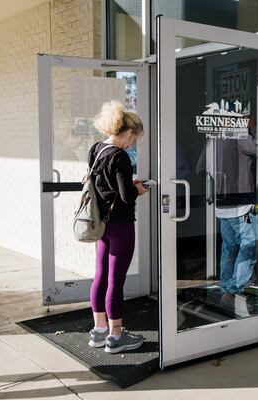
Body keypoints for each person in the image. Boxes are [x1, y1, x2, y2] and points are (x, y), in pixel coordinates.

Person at [87, 100, 149, 354]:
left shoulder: (96, 149)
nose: (133, 144)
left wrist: (125, 185)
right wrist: (139, 189)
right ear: (127, 132)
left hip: (102, 223)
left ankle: (99, 330)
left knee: (101, 275)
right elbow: (126, 196)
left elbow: (103, 185)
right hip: (121, 225)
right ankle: (116, 336)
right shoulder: (120, 156)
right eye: (134, 139)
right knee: (116, 279)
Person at [197, 115, 258, 316]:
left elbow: (200, 168)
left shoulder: (213, 138)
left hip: (221, 203)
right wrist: (254, 129)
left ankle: (226, 289)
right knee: (249, 245)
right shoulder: (239, 134)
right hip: (242, 203)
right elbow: (257, 150)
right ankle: (232, 288)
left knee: (229, 248)